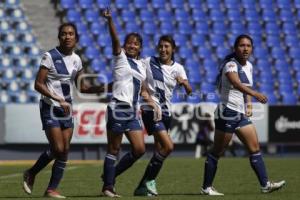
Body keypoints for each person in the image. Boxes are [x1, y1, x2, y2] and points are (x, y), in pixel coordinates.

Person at [22, 23, 107, 198]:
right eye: (64, 34)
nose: (67, 37)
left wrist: (103, 88)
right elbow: (38, 84)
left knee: (65, 150)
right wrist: (57, 98)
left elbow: (82, 87)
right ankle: (31, 173)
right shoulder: (49, 56)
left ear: (76, 38)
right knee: (58, 148)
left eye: (71, 34)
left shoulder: (77, 59)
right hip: (50, 107)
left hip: (67, 109)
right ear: (59, 37)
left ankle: (51, 189)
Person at [200, 34, 286, 196]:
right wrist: (256, 94)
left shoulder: (249, 66)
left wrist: (248, 104)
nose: (245, 48)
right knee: (217, 151)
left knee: (254, 148)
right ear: (235, 48)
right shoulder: (230, 65)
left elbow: (244, 86)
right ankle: (206, 187)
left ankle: (265, 184)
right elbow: (236, 83)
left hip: (240, 114)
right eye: (242, 45)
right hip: (227, 112)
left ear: (252, 48)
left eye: (248, 46)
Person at [101, 9, 160, 197]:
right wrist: (110, 21)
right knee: (114, 149)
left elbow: (142, 89)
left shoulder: (141, 66)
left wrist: (152, 103)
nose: (132, 45)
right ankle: (108, 187)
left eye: (136, 44)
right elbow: (115, 41)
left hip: (132, 112)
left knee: (140, 149)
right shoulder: (120, 58)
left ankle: (110, 175)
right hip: (118, 107)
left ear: (140, 48)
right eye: (130, 43)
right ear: (125, 45)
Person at [134, 35, 192, 196]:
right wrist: (145, 93)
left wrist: (185, 83)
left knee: (159, 151)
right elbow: (138, 78)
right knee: (168, 146)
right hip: (152, 110)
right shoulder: (148, 62)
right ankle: (149, 182)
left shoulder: (178, 68)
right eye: (161, 46)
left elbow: (189, 91)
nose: (163, 49)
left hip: (167, 112)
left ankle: (142, 186)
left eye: (167, 46)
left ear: (173, 49)